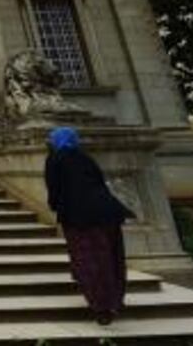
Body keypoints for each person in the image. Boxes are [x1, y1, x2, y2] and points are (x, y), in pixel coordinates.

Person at [44, 126, 135, 325]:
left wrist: (56, 207)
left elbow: (54, 189)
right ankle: (116, 300)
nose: (48, 141)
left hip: (80, 217)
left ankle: (102, 307)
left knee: (88, 260)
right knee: (112, 258)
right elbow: (100, 182)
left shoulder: (55, 159)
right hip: (108, 212)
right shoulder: (85, 157)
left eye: (50, 139)